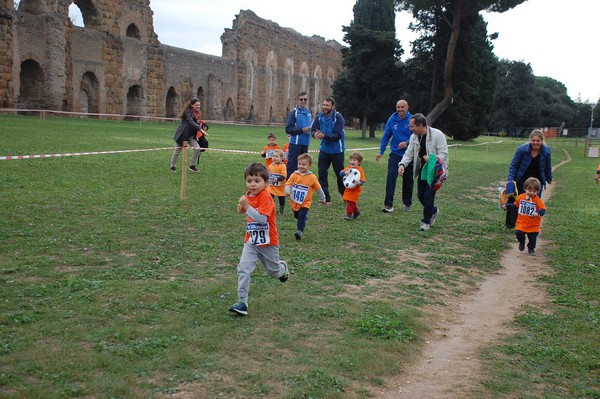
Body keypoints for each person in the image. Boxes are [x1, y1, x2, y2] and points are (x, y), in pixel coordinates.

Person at [229, 163, 289, 316]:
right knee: (243, 269)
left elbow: (262, 219)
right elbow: (247, 209)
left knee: (273, 272)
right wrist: (242, 209)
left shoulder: (266, 197)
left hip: (268, 243)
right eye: (249, 181)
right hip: (251, 241)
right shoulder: (249, 195)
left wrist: (246, 207)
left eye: (257, 181)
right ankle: (242, 302)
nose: (252, 184)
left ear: (266, 183)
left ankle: (282, 268)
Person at [398, 113, 449, 231]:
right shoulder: (413, 137)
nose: (410, 129)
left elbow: (444, 154)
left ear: (420, 125)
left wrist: (431, 159)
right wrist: (402, 164)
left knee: (428, 195)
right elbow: (409, 153)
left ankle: (426, 222)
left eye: (412, 126)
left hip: (436, 170)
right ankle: (434, 211)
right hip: (423, 169)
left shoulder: (438, 135)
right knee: (420, 195)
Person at [505, 129, 553, 228]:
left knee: (533, 202)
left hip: (536, 181)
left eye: (538, 141)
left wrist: (549, 178)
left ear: (542, 141)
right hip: (522, 178)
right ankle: (510, 224)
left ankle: (528, 224)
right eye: (533, 140)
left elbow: (548, 166)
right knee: (516, 200)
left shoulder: (546, 151)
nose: (535, 143)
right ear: (530, 140)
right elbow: (514, 165)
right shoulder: (522, 149)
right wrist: (511, 179)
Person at [376, 99, 414, 213]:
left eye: (402, 107)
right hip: (396, 153)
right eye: (398, 107)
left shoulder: (412, 119)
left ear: (407, 107)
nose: (400, 109)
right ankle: (388, 205)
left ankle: (407, 204)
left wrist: (406, 143)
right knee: (391, 177)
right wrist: (381, 151)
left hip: (409, 154)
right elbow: (386, 136)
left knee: (408, 180)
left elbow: (416, 136)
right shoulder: (392, 120)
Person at [311, 96, 345, 204]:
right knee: (322, 173)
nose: (325, 107)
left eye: (327, 105)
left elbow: (337, 135)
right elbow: (313, 129)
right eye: (324, 105)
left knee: (340, 174)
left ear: (332, 106)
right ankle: (326, 198)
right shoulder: (319, 117)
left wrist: (324, 136)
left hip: (337, 151)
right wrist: (315, 134)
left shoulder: (338, 118)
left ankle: (345, 195)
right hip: (324, 150)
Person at [285, 153, 326, 240]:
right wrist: (287, 190)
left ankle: (299, 231)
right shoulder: (294, 175)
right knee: (297, 215)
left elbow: (318, 189)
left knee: (302, 216)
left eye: (304, 164)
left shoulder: (312, 178)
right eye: (299, 164)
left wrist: (323, 198)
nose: (301, 166)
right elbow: (288, 183)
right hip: (294, 201)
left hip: (306, 202)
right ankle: (300, 218)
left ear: (309, 166)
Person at [502, 177, 546, 256]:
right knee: (519, 233)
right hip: (522, 222)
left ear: (537, 191)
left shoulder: (538, 201)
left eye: (534, 191)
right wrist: (507, 205)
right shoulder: (521, 197)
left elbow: (543, 210)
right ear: (525, 189)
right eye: (529, 190)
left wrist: (538, 212)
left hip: (533, 224)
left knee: (533, 238)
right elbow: (515, 205)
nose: (532, 193)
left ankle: (531, 249)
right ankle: (521, 242)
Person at [170, 98, 207, 173]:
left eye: (199, 105)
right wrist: (201, 129)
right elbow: (191, 122)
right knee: (177, 150)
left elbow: (195, 123)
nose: (198, 106)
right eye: (196, 105)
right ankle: (173, 166)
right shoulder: (187, 112)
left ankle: (192, 165)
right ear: (192, 105)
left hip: (191, 135)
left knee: (197, 149)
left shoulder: (196, 113)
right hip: (183, 134)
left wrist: (203, 125)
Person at [285, 92, 312, 177]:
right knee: (292, 167)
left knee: (303, 167)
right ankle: (288, 187)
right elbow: (288, 129)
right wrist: (302, 130)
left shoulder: (308, 113)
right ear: (297, 100)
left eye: (305, 99)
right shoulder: (294, 113)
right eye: (301, 99)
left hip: (305, 143)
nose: (303, 101)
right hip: (295, 144)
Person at [340, 152, 366, 220]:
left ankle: (349, 214)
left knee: (351, 201)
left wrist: (359, 183)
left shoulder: (360, 170)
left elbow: (363, 180)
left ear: (359, 162)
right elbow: (341, 173)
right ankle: (356, 212)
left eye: (354, 160)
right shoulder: (348, 168)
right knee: (348, 200)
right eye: (351, 160)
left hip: (356, 190)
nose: (352, 161)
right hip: (348, 188)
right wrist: (345, 173)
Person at [267, 149, 287, 215]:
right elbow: (267, 174)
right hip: (271, 186)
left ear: (282, 158)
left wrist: (278, 179)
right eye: (273, 156)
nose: (274, 158)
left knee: (281, 199)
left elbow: (284, 175)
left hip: (280, 187)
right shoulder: (270, 166)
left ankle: (282, 208)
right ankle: (269, 208)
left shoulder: (282, 166)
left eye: (276, 156)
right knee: (269, 197)